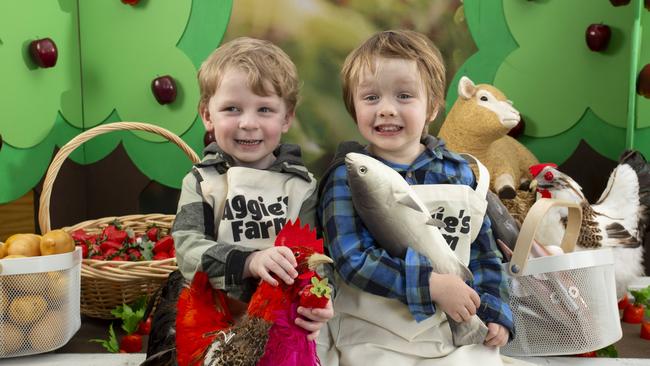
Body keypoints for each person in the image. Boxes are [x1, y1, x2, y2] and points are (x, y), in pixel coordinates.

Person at [318, 30, 514, 365]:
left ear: (433, 106)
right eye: (371, 98)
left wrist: (495, 311)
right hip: (375, 337)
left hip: (452, 335)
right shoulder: (347, 176)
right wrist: (431, 285)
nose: (386, 110)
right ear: (354, 107)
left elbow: (483, 254)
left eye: (404, 96)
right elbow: (352, 259)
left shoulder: (459, 173)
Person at [144, 37, 333, 363]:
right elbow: (188, 249)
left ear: (286, 118)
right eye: (232, 108)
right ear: (207, 114)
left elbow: (315, 262)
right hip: (210, 320)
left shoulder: (301, 188)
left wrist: (318, 299)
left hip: (279, 324)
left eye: (265, 109)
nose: (248, 122)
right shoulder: (201, 182)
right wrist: (249, 261)